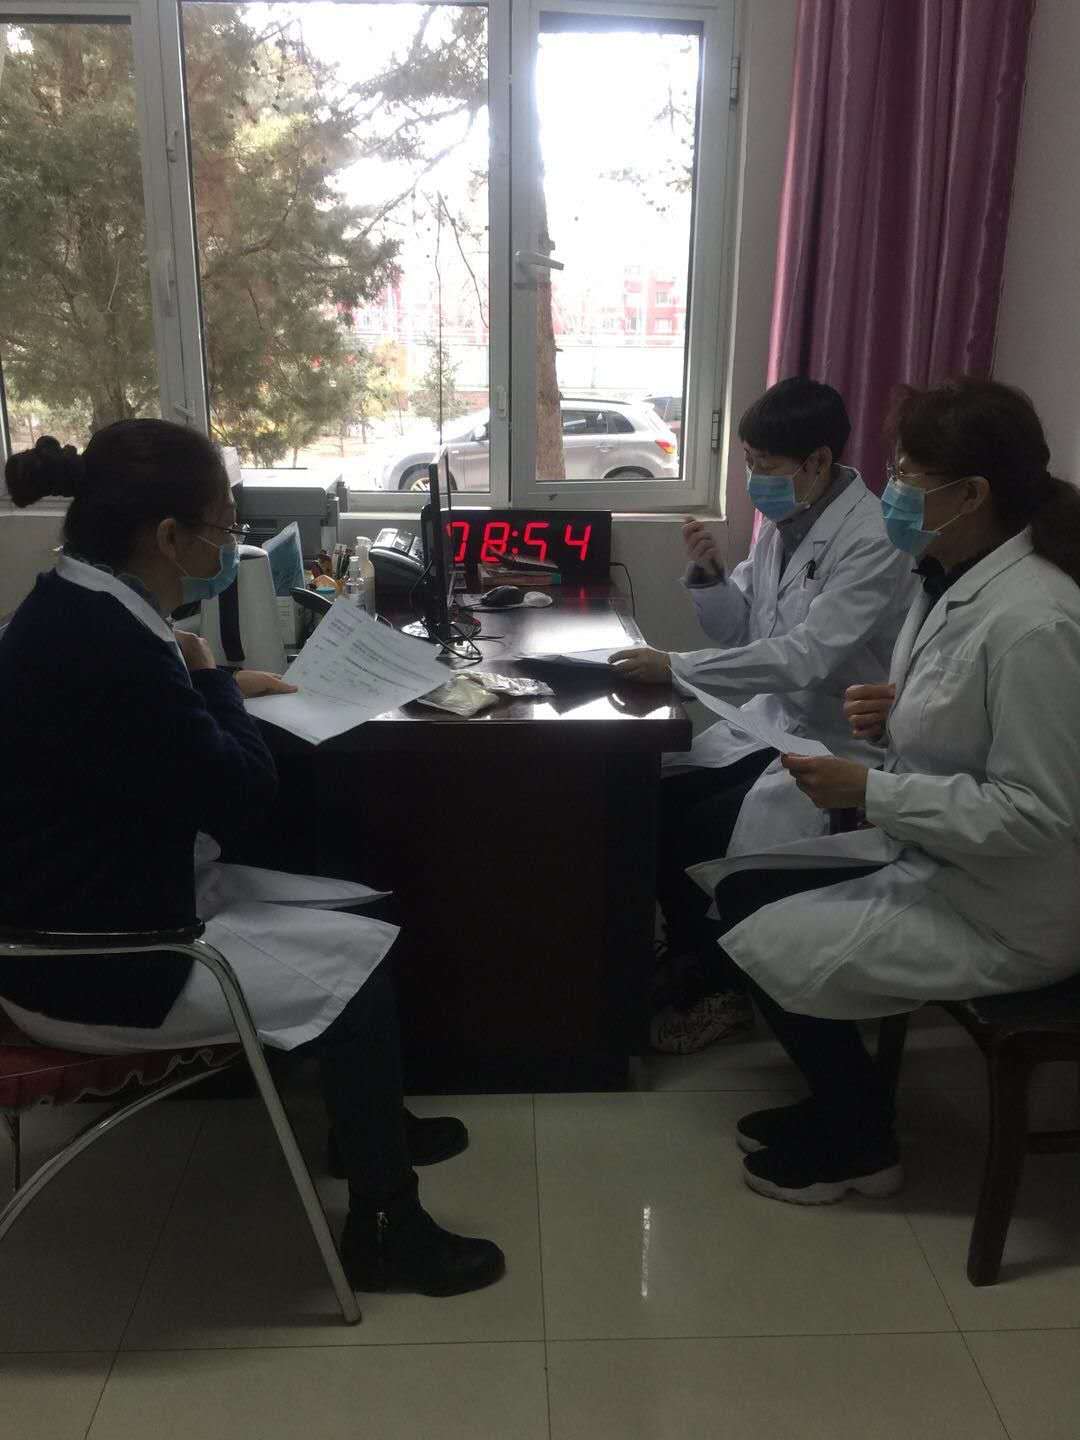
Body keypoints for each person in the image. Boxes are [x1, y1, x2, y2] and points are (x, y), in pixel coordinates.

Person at [0, 420, 505, 1297]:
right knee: (361, 977)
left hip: (101, 899)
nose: (230, 542)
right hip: (99, 963)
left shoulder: (74, 609)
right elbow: (242, 795)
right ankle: (387, 1230)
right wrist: (208, 677)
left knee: (364, 905)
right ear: (168, 538)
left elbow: (147, 746)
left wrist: (209, 684)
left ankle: (366, 1128)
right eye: (224, 525)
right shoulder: (116, 649)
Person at [687, 377, 1080, 1205]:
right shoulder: (954, 575)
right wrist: (897, 710)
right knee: (744, 891)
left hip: (1008, 905)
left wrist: (870, 791)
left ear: (971, 493)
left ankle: (861, 1143)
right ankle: (842, 1103)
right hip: (940, 853)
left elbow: (1040, 813)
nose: (890, 491)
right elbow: (971, 716)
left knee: (769, 936)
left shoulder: (1037, 621)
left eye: (906, 475)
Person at [610, 378, 918, 1054]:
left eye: (764, 465)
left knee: (705, 828)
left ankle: (724, 988)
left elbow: (806, 656)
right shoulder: (790, 523)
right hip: (772, 723)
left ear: (817, 461)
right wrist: (709, 576)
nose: (754, 479)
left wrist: (675, 667)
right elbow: (739, 630)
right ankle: (691, 960)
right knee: (657, 800)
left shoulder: (870, 538)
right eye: (748, 461)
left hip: (839, 738)